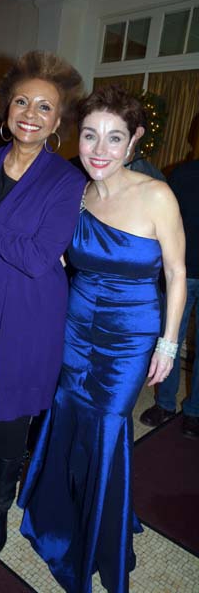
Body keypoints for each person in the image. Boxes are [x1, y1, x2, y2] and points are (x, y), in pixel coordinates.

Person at [18, 85, 186, 593]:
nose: (99, 149)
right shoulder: (77, 193)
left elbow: (178, 274)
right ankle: (59, 514)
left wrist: (168, 343)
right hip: (75, 326)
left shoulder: (156, 195)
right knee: (66, 415)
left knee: (109, 426)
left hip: (130, 335)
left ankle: (99, 535)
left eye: (114, 138)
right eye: (90, 135)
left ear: (134, 140)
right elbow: (62, 259)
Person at [0, 51, 86, 557]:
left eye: (44, 107)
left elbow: (36, 257)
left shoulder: (66, 181)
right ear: (5, 109)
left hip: (29, 314)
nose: (30, 112)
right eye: (22, 101)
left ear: (58, 121)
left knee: (10, 416)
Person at [140, 153, 199, 438]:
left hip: (182, 271)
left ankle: (194, 410)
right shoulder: (180, 175)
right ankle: (166, 403)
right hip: (181, 273)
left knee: (171, 338)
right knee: (169, 338)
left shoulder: (178, 174)